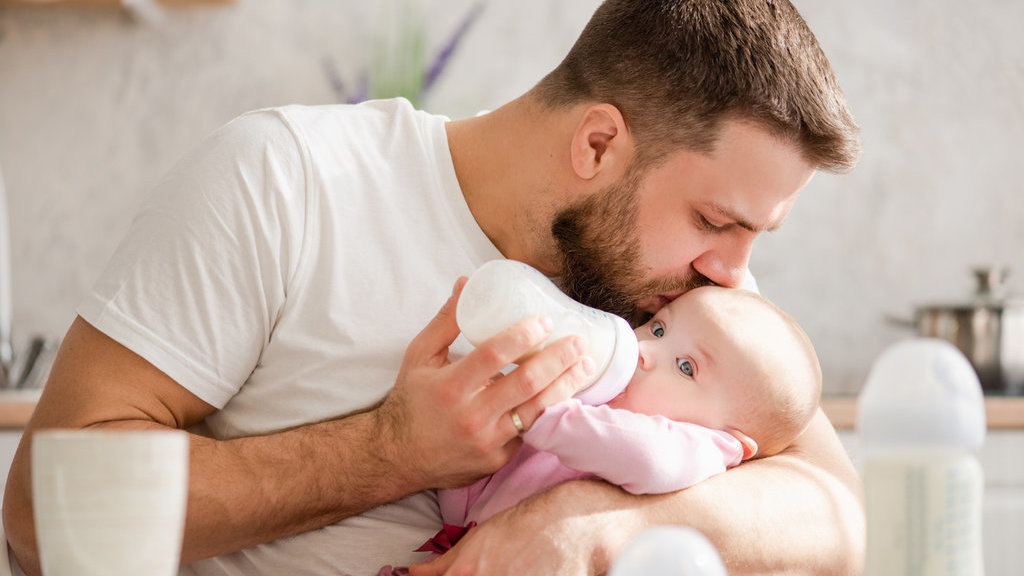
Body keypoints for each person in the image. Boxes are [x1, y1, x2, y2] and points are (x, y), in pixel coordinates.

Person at [3, 1, 863, 575]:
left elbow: (835, 514)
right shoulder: (288, 181)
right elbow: (43, 513)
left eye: (752, 234)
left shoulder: (672, 295)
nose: (737, 274)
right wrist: (388, 452)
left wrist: (595, 529)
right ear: (599, 145)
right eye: (718, 221)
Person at [377, 285, 822, 575]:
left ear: (736, 444)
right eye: (659, 327)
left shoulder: (700, 448)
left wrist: (539, 411)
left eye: (686, 367)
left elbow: (644, 455)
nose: (645, 350)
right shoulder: (592, 405)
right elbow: (472, 489)